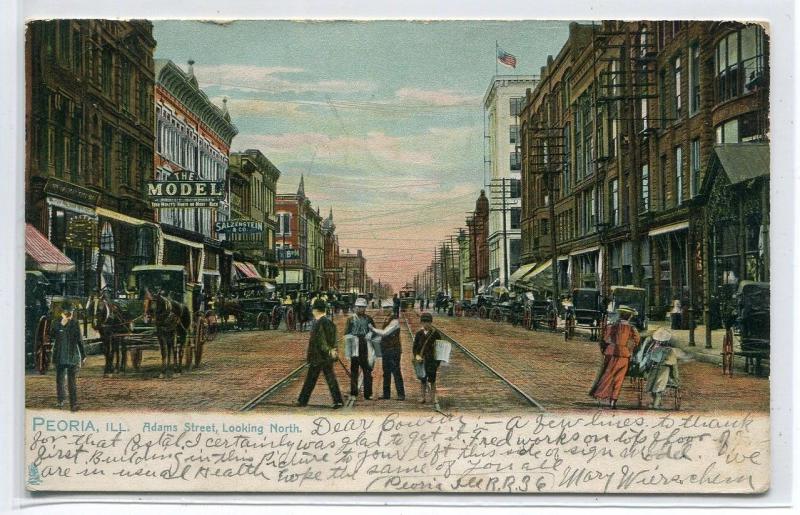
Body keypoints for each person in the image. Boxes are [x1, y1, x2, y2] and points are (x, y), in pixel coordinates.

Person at [589, 305, 641, 409]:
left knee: (607, 375)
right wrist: (630, 349)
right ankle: (613, 401)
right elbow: (637, 341)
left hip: (611, 352)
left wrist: (605, 349)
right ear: (629, 317)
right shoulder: (632, 329)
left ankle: (600, 396)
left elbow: (604, 338)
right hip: (624, 355)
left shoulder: (611, 326)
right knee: (619, 379)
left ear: (620, 315)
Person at [296, 299, 344, 409]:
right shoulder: (330, 322)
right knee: (330, 378)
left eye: (313, 309)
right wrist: (334, 350)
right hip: (326, 357)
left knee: (311, 380)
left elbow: (321, 341)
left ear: (316, 310)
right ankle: (338, 401)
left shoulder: (318, 323)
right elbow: (334, 339)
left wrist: (328, 350)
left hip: (318, 356)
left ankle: (302, 401)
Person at [51, 302, 86, 412]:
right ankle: (60, 400)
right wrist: (61, 325)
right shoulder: (56, 322)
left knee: (72, 381)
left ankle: (73, 404)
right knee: (60, 379)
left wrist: (83, 355)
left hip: (72, 355)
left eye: (71, 313)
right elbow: (52, 336)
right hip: (60, 355)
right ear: (63, 313)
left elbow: (79, 340)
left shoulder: (75, 323)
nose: (70, 315)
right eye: (68, 313)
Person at [345, 297, 375, 400]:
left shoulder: (369, 319)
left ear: (365, 308)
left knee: (367, 370)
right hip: (354, 344)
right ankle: (353, 391)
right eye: (358, 307)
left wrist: (370, 333)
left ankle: (368, 393)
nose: (360, 309)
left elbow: (373, 331)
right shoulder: (350, 319)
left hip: (365, 344)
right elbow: (346, 334)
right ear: (355, 307)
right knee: (354, 369)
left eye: (362, 307)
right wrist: (348, 351)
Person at [643, 327, 680, 409]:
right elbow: (674, 365)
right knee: (657, 388)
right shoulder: (669, 351)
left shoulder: (655, 349)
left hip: (656, 370)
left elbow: (650, 361)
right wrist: (676, 377)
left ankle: (655, 404)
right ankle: (656, 404)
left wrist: (646, 370)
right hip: (663, 370)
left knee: (654, 388)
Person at [371, 313, 405, 400]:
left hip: (394, 350)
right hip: (386, 349)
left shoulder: (394, 321)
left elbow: (385, 333)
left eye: (388, 307)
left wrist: (372, 329)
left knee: (396, 372)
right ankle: (386, 394)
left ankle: (401, 394)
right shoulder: (388, 319)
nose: (385, 309)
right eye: (385, 307)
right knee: (386, 372)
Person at [413, 312, 443, 406]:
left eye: (428, 322)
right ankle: (422, 397)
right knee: (423, 379)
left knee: (432, 379)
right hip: (422, 360)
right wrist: (417, 356)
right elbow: (415, 348)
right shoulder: (419, 334)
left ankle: (433, 398)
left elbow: (439, 348)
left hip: (432, 360)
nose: (426, 324)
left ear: (431, 323)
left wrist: (437, 362)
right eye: (424, 322)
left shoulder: (436, 334)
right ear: (421, 323)